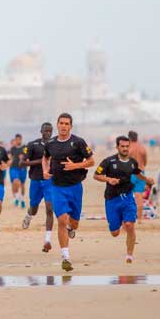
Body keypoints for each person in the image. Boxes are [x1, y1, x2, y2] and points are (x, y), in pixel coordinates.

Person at [42, 113, 94, 272]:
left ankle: (72, 229)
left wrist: (76, 166)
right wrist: (45, 170)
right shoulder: (50, 143)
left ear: (71, 126)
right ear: (57, 125)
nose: (64, 126)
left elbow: (91, 161)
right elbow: (45, 158)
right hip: (57, 187)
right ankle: (65, 257)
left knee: (73, 223)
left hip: (75, 187)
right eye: (61, 123)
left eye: (67, 124)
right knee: (62, 220)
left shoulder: (78, 142)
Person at [94, 136, 154, 263]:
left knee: (130, 225)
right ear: (117, 147)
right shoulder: (108, 161)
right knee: (115, 233)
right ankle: (120, 221)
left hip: (127, 197)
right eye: (123, 146)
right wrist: (109, 179)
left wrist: (147, 179)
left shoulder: (132, 162)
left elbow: (137, 173)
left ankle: (129, 255)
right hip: (112, 199)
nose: (125, 149)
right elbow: (96, 175)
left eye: (127, 146)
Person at [21, 123, 55, 252]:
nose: (48, 133)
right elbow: (22, 162)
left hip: (49, 180)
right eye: (45, 131)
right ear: (41, 131)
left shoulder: (55, 145)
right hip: (35, 180)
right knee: (34, 208)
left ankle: (47, 240)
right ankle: (29, 216)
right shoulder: (32, 145)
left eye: (50, 131)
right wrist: (41, 161)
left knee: (49, 209)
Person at [127, 131, 148, 221]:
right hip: (141, 172)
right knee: (139, 196)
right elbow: (145, 161)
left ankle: (129, 217)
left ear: (129, 138)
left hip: (131, 173)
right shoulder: (142, 148)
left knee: (127, 196)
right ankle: (139, 219)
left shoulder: (128, 148)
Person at [9, 134, 27, 208]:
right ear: (15, 140)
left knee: (22, 184)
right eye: (17, 139)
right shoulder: (12, 148)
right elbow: (10, 157)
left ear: (21, 139)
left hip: (22, 168)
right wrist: (9, 161)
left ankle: (22, 199)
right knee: (16, 181)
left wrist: (23, 157)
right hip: (14, 168)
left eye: (19, 139)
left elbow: (27, 156)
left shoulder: (24, 148)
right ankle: (16, 197)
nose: (18, 141)